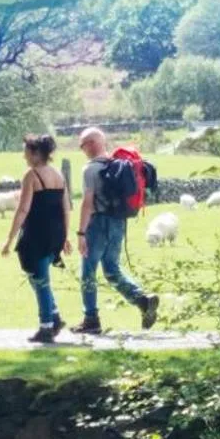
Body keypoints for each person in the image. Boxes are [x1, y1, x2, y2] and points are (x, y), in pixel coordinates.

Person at [74, 126, 160, 334]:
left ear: (92, 144)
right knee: (112, 269)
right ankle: (142, 300)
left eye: (82, 145)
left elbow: (87, 203)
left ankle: (91, 319)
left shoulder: (91, 169)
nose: (82, 149)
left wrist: (81, 233)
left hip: (98, 223)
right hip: (118, 222)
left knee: (87, 271)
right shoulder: (119, 166)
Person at [1, 133, 70, 343]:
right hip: (55, 233)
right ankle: (55, 316)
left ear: (36, 153)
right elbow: (66, 208)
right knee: (37, 277)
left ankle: (46, 327)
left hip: (37, 234)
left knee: (40, 280)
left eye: (26, 152)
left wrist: (9, 239)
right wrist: (65, 236)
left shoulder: (31, 176)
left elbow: (23, 210)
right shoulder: (59, 175)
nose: (24, 157)